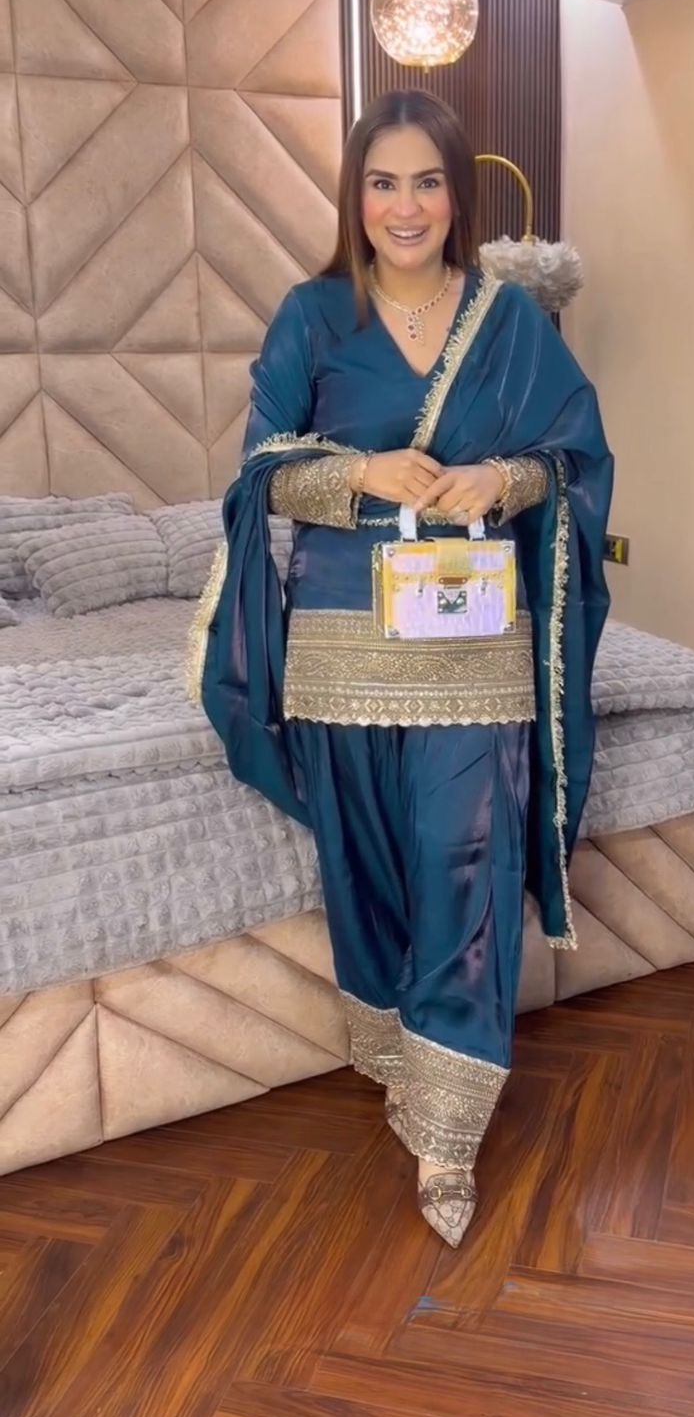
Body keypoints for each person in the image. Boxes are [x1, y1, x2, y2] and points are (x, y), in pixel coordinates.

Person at [191, 89, 614, 1247]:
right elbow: (262, 473)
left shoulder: (508, 320)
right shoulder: (313, 316)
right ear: (356, 196)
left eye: (426, 181)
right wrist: (359, 473)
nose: (405, 205)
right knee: (368, 865)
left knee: (462, 861)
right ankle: (398, 1063)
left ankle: (449, 1132)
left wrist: (505, 480)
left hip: (472, 642)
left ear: (456, 195)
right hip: (340, 646)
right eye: (383, 182)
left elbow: (574, 454)